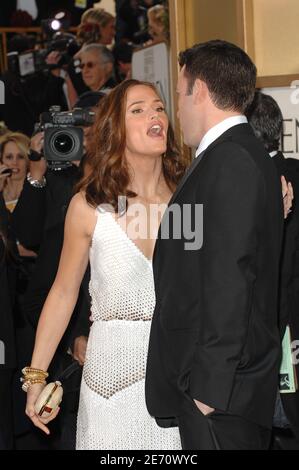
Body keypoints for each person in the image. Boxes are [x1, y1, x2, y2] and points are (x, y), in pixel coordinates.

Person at [24, 79, 187, 450]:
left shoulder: (187, 203)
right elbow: (64, 293)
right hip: (108, 385)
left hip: (177, 379)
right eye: (139, 110)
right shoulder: (89, 206)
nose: (154, 115)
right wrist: (36, 376)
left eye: (159, 107)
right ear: (116, 130)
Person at [145, 40, 285, 450]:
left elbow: (230, 278)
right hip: (222, 389)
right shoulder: (230, 156)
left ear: (200, 91)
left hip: (221, 393)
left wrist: (207, 391)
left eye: (180, 92)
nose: (177, 109)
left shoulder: (230, 160)